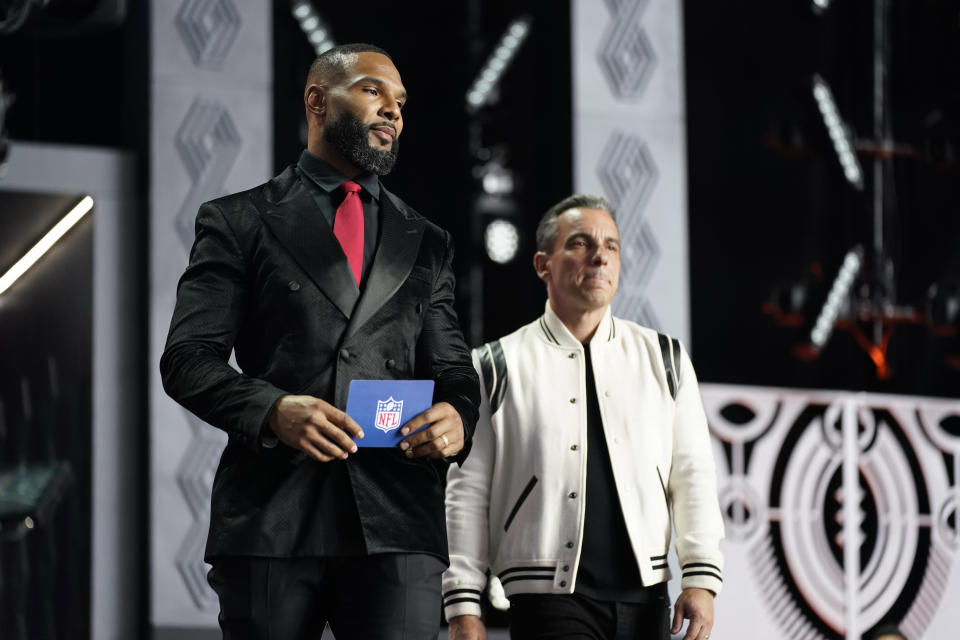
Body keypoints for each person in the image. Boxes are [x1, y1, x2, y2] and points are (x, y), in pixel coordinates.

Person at [160, 43, 480, 640]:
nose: (393, 111)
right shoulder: (239, 219)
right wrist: (273, 409)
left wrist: (458, 415)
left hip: (398, 513)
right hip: (272, 511)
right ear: (317, 100)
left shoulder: (428, 241)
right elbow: (186, 360)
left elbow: (455, 370)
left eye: (401, 103)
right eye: (372, 91)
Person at [442, 195, 725, 640]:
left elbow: (693, 474)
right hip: (545, 599)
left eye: (611, 245)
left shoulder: (664, 356)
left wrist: (701, 578)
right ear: (543, 264)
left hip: (649, 595)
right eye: (580, 242)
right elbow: (467, 490)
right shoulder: (497, 363)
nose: (599, 255)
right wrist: (463, 604)